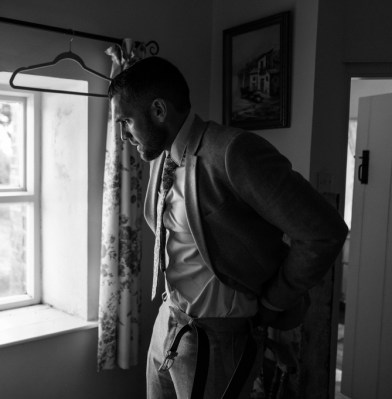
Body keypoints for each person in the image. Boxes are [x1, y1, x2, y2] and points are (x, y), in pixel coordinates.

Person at [108, 56, 348, 398]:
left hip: (218, 339)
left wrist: (273, 302)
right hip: (169, 321)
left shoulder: (233, 151)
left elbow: (323, 231)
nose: (122, 136)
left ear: (159, 110)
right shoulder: (162, 154)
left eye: (126, 121)